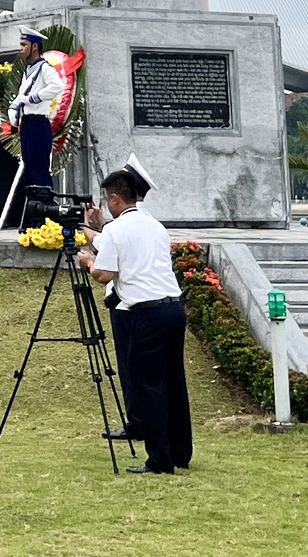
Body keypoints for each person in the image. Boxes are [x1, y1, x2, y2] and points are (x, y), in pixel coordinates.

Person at [77, 166, 190, 474]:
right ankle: (181, 452)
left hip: (146, 314)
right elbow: (120, 247)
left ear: (114, 199)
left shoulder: (116, 230)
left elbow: (105, 275)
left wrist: (88, 263)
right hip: (173, 309)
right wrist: (96, 232)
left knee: (149, 386)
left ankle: (159, 460)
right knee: (173, 382)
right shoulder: (154, 225)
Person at [9, 29, 66, 196]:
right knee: (30, 169)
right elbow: (21, 95)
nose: (21, 49)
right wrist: (14, 108)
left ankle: (43, 208)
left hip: (38, 123)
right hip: (27, 123)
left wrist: (34, 98)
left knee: (39, 170)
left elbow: (57, 86)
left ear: (35, 46)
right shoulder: (29, 70)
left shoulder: (44, 68)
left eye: (24, 45)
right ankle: (34, 207)